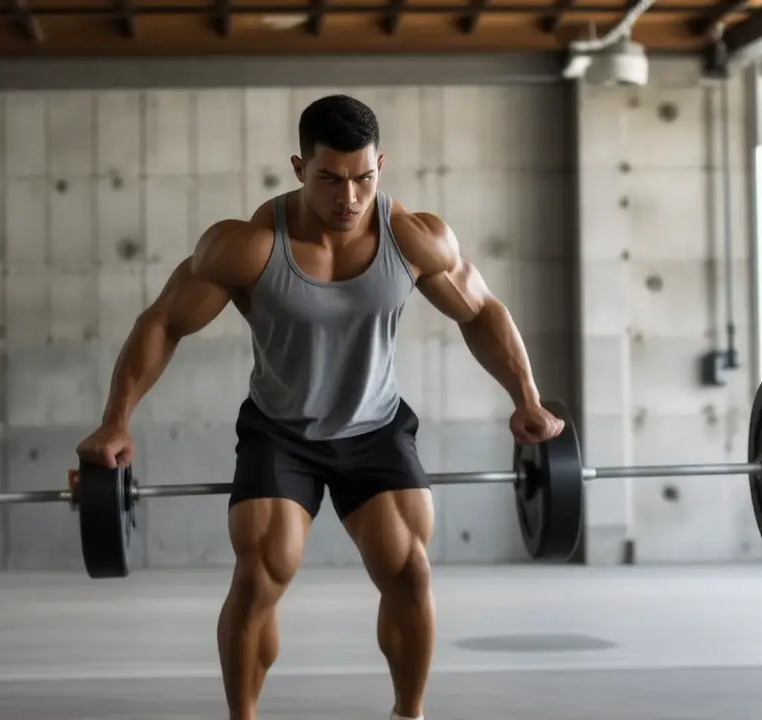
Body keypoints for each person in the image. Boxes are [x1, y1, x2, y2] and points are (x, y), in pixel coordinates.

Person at [76, 94, 565, 720]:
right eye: (331, 179)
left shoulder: (416, 240)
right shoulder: (248, 246)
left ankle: (408, 715)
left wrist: (525, 398)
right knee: (259, 577)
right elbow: (164, 322)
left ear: (380, 165)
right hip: (280, 433)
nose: (350, 198)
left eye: (364, 178)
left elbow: (481, 312)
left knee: (410, 573)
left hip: (376, 429)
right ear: (299, 167)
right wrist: (117, 418)